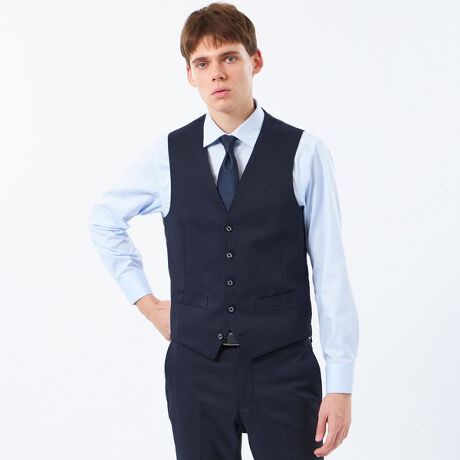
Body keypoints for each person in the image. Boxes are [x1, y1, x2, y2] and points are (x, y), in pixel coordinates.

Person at [88, 3, 359, 459]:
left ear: (256, 60)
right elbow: (104, 219)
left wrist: (341, 383)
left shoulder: (304, 153)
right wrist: (148, 305)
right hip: (195, 371)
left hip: (284, 368)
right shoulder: (167, 155)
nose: (217, 73)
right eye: (202, 63)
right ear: (190, 75)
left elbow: (330, 270)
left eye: (229, 57)